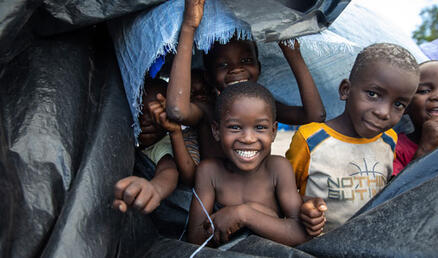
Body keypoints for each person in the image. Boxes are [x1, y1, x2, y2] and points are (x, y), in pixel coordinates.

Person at [165, 0, 325, 162]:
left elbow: (315, 116)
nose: (236, 69)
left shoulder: (265, 105)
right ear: (209, 77)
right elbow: (177, 111)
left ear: (259, 67)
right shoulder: (209, 108)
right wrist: (189, 26)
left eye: (247, 60)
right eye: (223, 65)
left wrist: (292, 52)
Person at [286, 43, 420, 235]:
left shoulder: (389, 140)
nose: (383, 113)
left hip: (369, 242)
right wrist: (305, 207)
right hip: (319, 245)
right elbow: (284, 193)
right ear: (346, 90)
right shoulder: (311, 139)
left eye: (398, 104)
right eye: (373, 94)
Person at [187, 82, 308, 247]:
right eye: (235, 127)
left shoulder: (278, 168)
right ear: (216, 130)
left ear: (273, 132)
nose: (248, 138)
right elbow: (194, 238)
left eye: (260, 127)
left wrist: (244, 214)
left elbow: (300, 233)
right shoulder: (209, 172)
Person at [113, 76, 183, 213]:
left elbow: (168, 171)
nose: (145, 120)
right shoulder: (120, 135)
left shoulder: (162, 145)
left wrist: (155, 188)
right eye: (140, 111)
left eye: (155, 115)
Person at [393, 60, 438, 176]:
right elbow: (399, 192)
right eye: (424, 91)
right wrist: (425, 149)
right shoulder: (392, 148)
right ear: (405, 104)